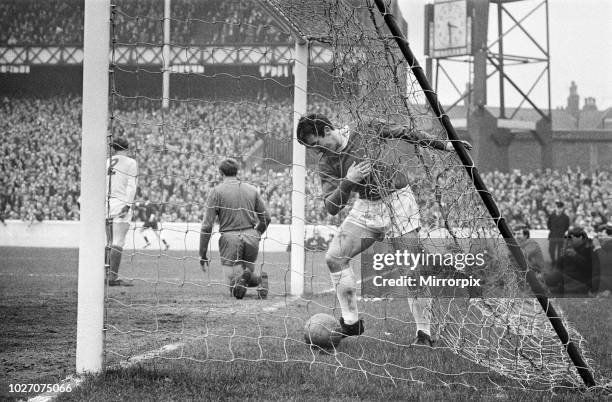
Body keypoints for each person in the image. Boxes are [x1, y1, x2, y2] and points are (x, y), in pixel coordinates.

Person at [296, 113, 472, 345]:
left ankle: (424, 334)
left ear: (328, 130)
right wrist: (348, 181)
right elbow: (331, 207)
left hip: (398, 201)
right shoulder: (326, 162)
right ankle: (351, 322)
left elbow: (405, 132)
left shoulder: (366, 127)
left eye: (317, 144)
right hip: (366, 207)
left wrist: (445, 145)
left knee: (412, 270)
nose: (318, 151)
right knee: (334, 257)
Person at [199, 158, 271, 299]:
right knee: (244, 275)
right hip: (251, 236)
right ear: (237, 172)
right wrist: (257, 233)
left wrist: (202, 253)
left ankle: (240, 283)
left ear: (220, 172)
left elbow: (207, 225)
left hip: (230, 238)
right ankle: (259, 281)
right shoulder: (252, 190)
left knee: (232, 286)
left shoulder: (216, 192)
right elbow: (267, 218)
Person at [105, 137, 138, 286]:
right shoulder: (130, 162)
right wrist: (128, 204)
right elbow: (131, 186)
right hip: (120, 203)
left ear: (113, 148)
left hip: (106, 204)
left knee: (109, 241)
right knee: (118, 241)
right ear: (127, 147)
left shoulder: (107, 161)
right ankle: (112, 278)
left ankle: (105, 275)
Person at [544, 227, 594, 296]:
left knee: (569, 289)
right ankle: (560, 287)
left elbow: (589, 268)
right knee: (549, 278)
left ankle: (561, 289)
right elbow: (559, 266)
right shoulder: (571, 247)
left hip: (581, 278)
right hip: (567, 275)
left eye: (571, 238)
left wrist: (575, 255)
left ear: (580, 238)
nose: (568, 240)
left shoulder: (589, 248)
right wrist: (562, 255)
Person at [547, 201, 570, 269]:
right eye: (558, 207)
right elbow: (548, 225)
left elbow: (566, 227)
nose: (559, 209)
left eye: (560, 208)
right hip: (553, 236)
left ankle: (558, 264)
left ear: (562, 208)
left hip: (561, 236)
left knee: (560, 251)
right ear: (556, 208)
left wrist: (561, 232)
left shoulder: (566, 217)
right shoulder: (552, 216)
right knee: (551, 250)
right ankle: (553, 262)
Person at [592, 223, 612, 296]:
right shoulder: (603, 244)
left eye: (602, 235)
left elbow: (605, 261)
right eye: (598, 236)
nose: (599, 238)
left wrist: (597, 247)